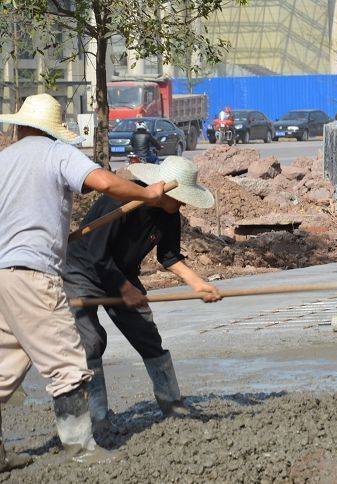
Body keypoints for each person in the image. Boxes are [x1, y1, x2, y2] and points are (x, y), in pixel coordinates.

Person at [0, 94, 165, 470]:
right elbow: (103, 181)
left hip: (2, 275)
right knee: (67, 363)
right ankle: (81, 449)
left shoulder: (4, 159)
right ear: (52, 130)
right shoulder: (55, 153)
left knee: (4, 368)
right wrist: (146, 192)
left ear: (19, 124)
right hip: (33, 274)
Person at [64, 156, 222, 432]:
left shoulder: (169, 215)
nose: (183, 205)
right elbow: (97, 254)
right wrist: (125, 290)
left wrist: (198, 284)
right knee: (91, 341)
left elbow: (169, 257)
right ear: (165, 191)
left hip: (121, 271)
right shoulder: (120, 202)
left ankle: (172, 403)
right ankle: (97, 417)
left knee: (147, 335)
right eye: (181, 198)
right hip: (81, 270)